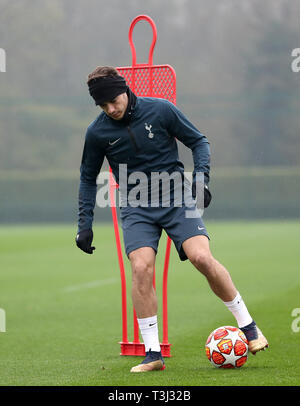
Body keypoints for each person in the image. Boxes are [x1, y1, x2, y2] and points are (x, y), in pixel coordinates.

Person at [76, 66, 268, 373]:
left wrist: (201, 179)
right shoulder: (97, 131)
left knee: (201, 258)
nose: (111, 109)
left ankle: (249, 326)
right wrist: (84, 225)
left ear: (124, 90)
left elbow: (199, 142)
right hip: (136, 205)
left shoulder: (161, 109)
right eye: (103, 105)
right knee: (140, 268)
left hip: (177, 197)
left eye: (113, 100)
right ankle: (153, 354)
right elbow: (87, 178)